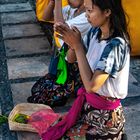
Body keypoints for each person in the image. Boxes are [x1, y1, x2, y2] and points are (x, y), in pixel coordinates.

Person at [41, 0, 131, 139]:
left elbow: (91, 86)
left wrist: (77, 46)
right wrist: (71, 42)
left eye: (90, 11)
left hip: (105, 119)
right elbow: (71, 59)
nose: (87, 15)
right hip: (88, 108)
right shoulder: (95, 32)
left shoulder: (116, 45)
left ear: (107, 12)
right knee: (54, 130)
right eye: (86, 10)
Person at [27, 0, 91, 107]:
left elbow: (59, 28)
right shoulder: (71, 9)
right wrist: (52, 2)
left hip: (76, 64)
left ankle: (76, 86)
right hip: (62, 56)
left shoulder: (86, 17)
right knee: (40, 88)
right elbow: (45, 17)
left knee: (52, 93)